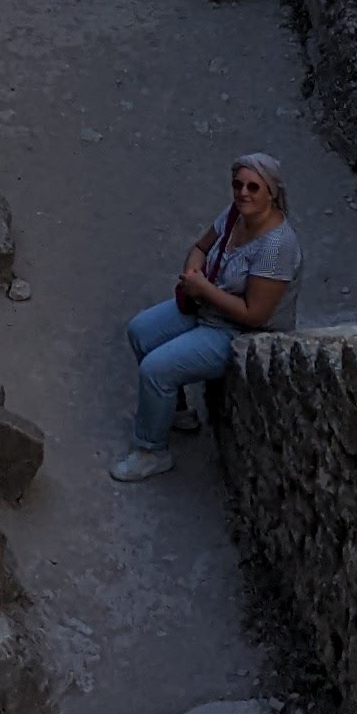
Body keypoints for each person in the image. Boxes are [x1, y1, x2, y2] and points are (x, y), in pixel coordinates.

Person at [112, 154, 302, 481]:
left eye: (253, 187)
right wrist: (193, 271)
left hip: (237, 330)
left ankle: (151, 451)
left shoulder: (277, 247)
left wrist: (203, 288)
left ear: (271, 193)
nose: (243, 193)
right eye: (238, 185)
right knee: (140, 331)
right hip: (208, 304)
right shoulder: (236, 216)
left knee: (155, 369)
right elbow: (200, 247)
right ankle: (177, 411)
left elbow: (255, 314)